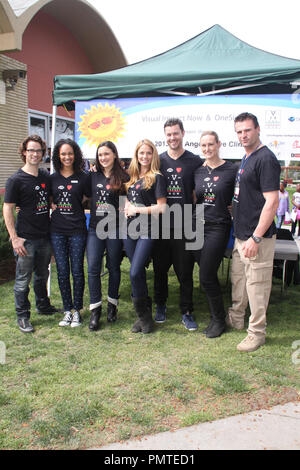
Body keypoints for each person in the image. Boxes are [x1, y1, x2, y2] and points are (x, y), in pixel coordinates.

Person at [227, 112, 281, 352]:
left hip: (256, 237)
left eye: (247, 130)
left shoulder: (266, 158)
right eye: (239, 131)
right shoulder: (246, 158)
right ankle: (236, 319)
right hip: (241, 234)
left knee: (257, 286)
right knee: (239, 280)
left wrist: (256, 238)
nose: (243, 135)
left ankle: (256, 333)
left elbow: (272, 202)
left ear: (258, 129)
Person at [152, 118, 203, 331]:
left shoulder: (194, 161)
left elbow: (201, 190)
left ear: (183, 133)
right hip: (162, 225)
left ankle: (186, 311)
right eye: (169, 134)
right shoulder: (158, 161)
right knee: (160, 269)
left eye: (175, 133)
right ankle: (161, 305)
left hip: (185, 225)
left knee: (185, 272)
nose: (172, 137)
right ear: (165, 136)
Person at [3, 135, 57, 333]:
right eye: (31, 150)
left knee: (43, 275)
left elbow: (49, 198)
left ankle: (43, 306)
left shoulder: (45, 176)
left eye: (39, 151)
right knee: (22, 280)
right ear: (24, 152)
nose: (35, 154)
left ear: (43, 153)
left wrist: (52, 204)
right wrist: (14, 238)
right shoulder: (15, 180)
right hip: (25, 239)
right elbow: (8, 208)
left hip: (44, 236)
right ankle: (23, 316)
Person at [193, 131, 237, 338]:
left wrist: (233, 209)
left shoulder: (231, 169)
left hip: (218, 227)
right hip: (197, 226)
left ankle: (219, 320)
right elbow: (195, 197)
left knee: (206, 275)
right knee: (207, 275)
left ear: (219, 144)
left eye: (211, 144)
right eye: (203, 146)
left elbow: (240, 196)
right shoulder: (198, 171)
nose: (207, 149)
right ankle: (215, 317)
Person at [123, 139, 167, 334]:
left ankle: (144, 317)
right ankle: (143, 318)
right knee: (137, 274)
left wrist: (137, 210)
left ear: (153, 155)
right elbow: (129, 202)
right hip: (130, 230)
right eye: (141, 153)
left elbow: (161, 207)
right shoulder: (131, 177)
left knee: (134, 271)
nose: (145, 156)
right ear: (136, 155)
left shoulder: (157, 177)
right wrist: (127, 208)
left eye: (148, 153)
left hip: (148, 229)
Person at [86, 141, 128, 331]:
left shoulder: (123, 176)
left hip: (115, 229)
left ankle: (112, 305)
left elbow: (127, 202)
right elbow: (83, 195)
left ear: (114, 155)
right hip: (95, 229)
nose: (103, 158)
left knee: (113, 267)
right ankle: (95, 310)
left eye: (107, 154)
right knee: (93, 267)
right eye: (100, 154)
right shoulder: (92, 175)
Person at [50, 138, 89, 327]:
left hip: (77, 230)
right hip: (57, 230)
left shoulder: (83, 177)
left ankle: (77, 311)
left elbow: (89, 197)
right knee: (63, 271)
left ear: (76, 155)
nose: (67, 157)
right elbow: (47, 197)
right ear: (58, 155)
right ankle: (67, 310)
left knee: (77, 270)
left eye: (70, 153)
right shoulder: (52, 178)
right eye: (63, 153)